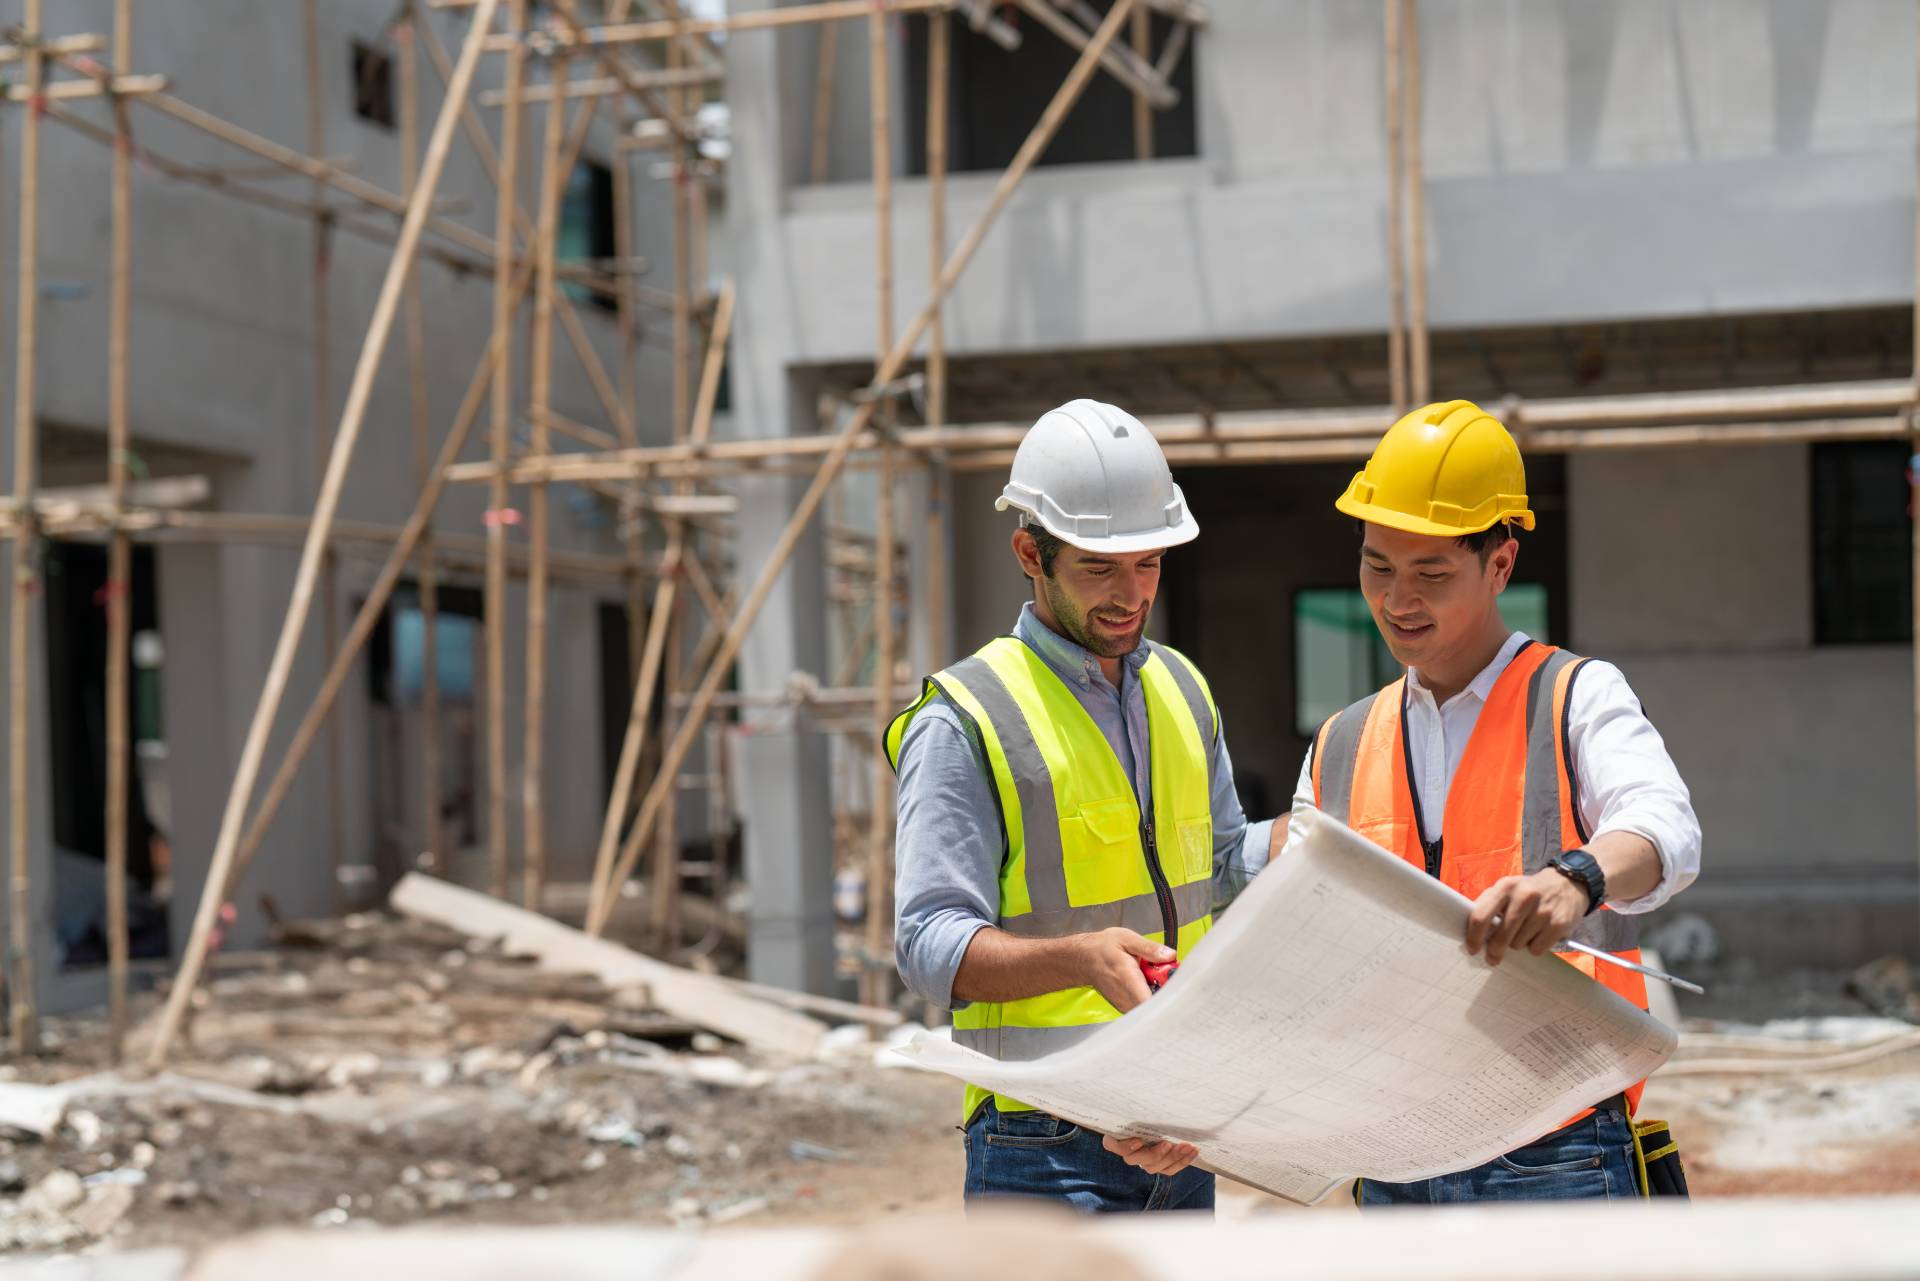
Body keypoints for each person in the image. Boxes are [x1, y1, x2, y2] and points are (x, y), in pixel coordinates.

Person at [1111, 398, 1702, 1203]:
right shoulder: (1344, 743)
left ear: (1500, 563)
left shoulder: (1573, 697)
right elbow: (1295, 946)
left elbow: (1663, 827)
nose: (1396, 600)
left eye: (1431, 573)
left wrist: (1575, 880)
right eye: (1377, 566)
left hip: (1553, 1149)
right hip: (1397, 1156)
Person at [886, 399, 1281, 1213]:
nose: (1130, 596)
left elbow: (1217, 868)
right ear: (1031, 552)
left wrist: (1312, 844)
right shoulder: (966, 718)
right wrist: (1080, 958)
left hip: (1176, 1126)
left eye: (1149, 565)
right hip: (1042, 1140)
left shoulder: (1181, 686)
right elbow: (928, 946)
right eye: (1100, 569)